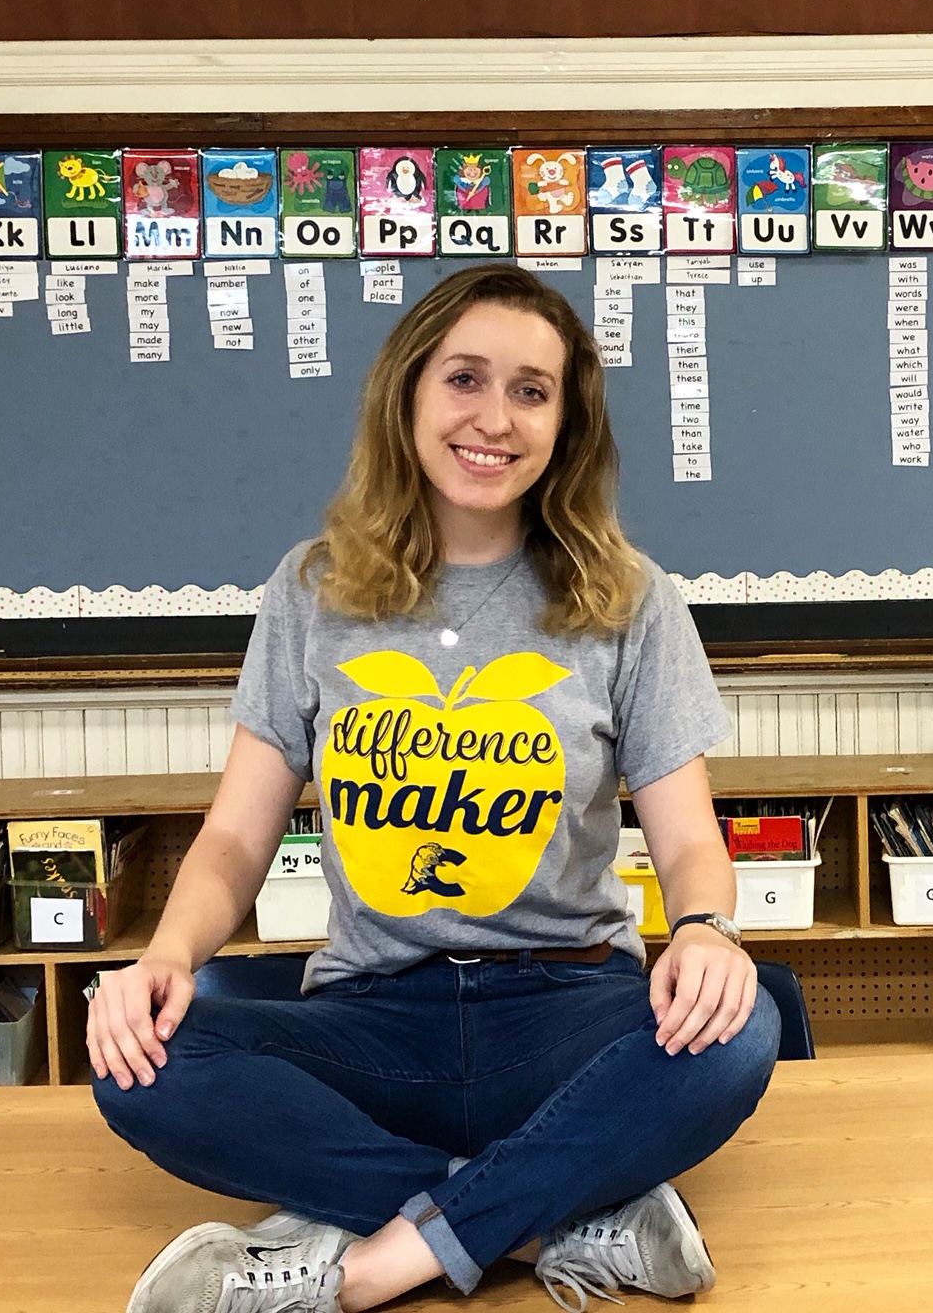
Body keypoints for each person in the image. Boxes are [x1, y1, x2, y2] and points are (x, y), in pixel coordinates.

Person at [89, 263, 780, 1313]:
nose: (493, 418)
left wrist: (705, 931)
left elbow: (687, 843)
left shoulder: (629, 598)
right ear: (407, 392)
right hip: (371, 1019)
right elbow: (234, 837)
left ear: (566, 422)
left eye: (531, 391)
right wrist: (168, 957)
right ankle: (556, 1217)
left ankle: (362, 1267)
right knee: (140, 1056)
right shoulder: (310, 590)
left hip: (566, 1009)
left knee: (744, 1025)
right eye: (465, 378)